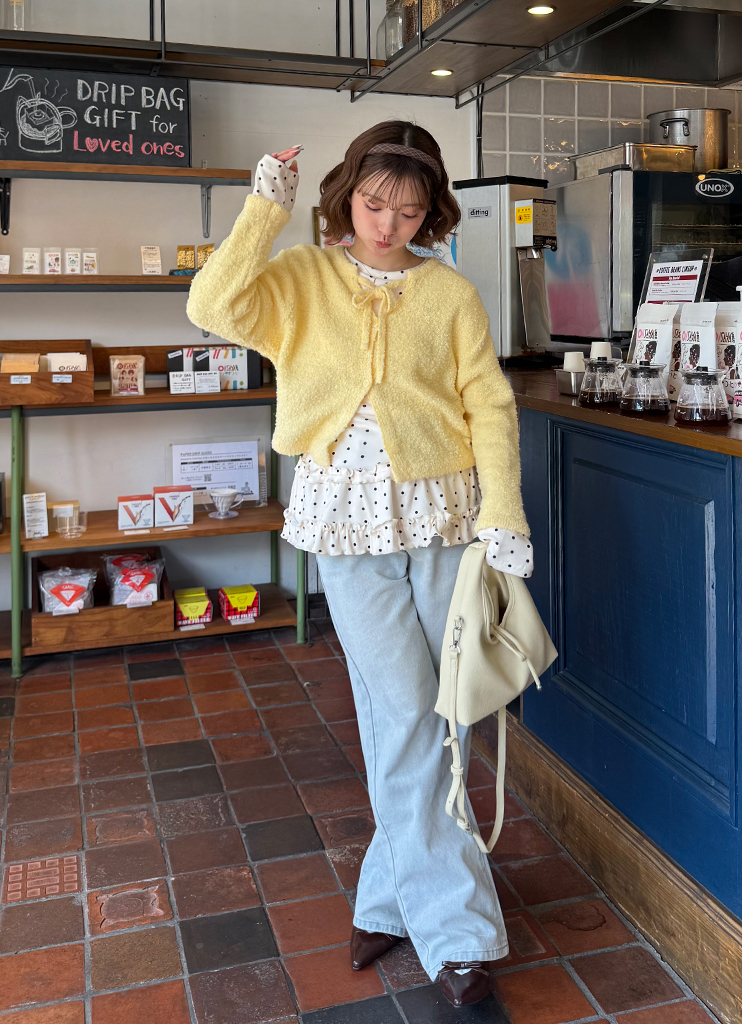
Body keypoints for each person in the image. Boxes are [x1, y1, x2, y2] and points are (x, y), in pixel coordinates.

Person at [187, 120, 532, 1007]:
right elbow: (212, 307)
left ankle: (385, 898)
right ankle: (460, 937)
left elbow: (489, 405)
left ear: (431, 214)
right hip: (343, 524)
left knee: (438, 715)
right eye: (375, 205)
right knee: (408, 711)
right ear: (347, 197)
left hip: (446, 519)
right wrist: (266, 207)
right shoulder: (303, 277)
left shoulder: (450, 293)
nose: (388, 225)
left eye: (409, 212)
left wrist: (503, 513)